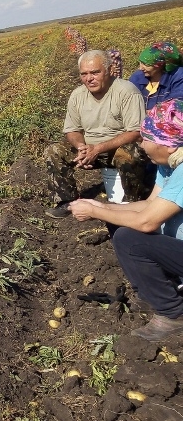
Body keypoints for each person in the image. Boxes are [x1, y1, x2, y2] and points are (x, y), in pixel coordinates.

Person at [69, 98, 183, 341]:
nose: (141, 145)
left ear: (169, 144)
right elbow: (149, 205)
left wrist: (94, 212)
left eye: (147, 139)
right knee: (119, 220)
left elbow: (147, 222)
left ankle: (173, 313)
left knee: (131, 239)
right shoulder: (170, 163)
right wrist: (102, 206)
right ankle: (157, 291)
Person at [44, 49, 147, 218]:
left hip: (117, 148)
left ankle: (134, 202)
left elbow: (136, 132)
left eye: (95, 72)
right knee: (54, 151)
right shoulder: (77, 95)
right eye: (84, 74)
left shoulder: (126, 91)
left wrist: (98, 148)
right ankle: (66, 201)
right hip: (90, 149)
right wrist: (80, 147)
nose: (89, 78)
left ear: (108, 70)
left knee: (132, 153)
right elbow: (72, 129)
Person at [128, 41, 183, 110]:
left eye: (147, 65)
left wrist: (150, 114)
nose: (141, 68)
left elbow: (176, 106)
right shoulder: (137, 77)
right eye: (140, 63)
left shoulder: (178, 76)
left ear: (160, 66)